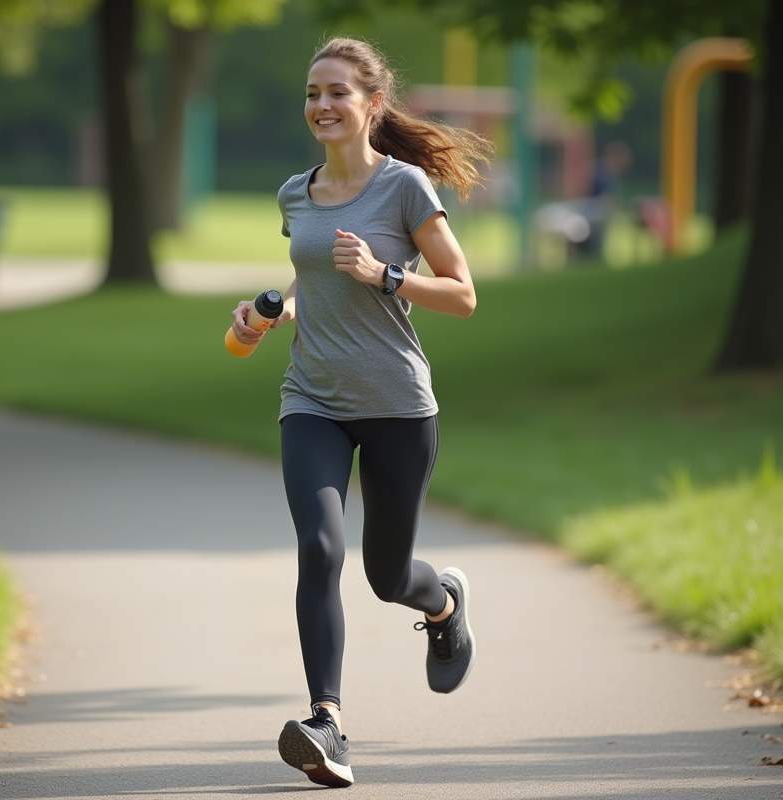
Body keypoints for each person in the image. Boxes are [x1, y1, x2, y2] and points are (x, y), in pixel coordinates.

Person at [228, 37, 491, 789]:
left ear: (372, 104)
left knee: (384, 576)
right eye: (312, 92)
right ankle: (328, 724)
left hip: (398, 408)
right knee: (319, 549)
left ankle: (442, 604)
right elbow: (315, 278)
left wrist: (386, 276)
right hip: (310, 399)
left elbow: (463, 294)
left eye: (337, 92)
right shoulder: (295, 193)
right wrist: (269, 316)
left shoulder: (405, 188)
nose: (321, 105)